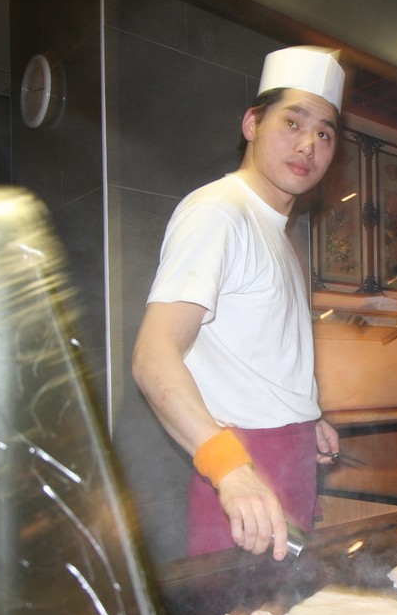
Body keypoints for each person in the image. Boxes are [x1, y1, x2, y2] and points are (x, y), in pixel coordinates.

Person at [132, 46, 345, 560]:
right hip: (245, 470)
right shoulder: (219, 212)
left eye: (324, 134)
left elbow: (248, 350)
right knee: (234, 610)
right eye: (292, 122)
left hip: (289, 461)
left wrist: (304, 414)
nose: (308, 144)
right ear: (252, 124)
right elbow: (153, 357)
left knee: (288, 610)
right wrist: (229, 468)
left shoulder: (277, 231)